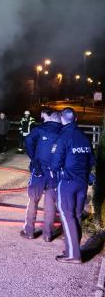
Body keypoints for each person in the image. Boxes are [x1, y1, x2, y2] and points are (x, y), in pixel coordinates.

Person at [51, 107, 95, 264]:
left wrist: (54, 173)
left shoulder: (63, 137)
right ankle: (73, 248)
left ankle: (73, 255)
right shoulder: (84, 137)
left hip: (67, 182)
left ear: (63, 119)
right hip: (82, 182)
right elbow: (91, 161)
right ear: (75, 119)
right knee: (75, 216)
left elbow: (55, 163)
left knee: (66, 215)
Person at [20, 109, 62, 241]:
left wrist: (34, 159)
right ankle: (48, 235)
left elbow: (28, 141)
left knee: (33, 200)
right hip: (55, 172)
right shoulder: (64, 132)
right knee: (51, 203)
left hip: (39, 171)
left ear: (49, 117)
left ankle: (29, 231)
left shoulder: (41, 129)